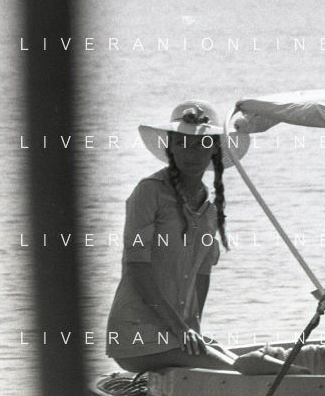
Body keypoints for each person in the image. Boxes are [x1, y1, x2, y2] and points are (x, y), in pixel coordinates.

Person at [106, 100, 250, 373]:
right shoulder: (149, 192)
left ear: (214, 149)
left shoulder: (209, 208)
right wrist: (180, 329)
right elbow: (136, 266)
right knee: (236, 371)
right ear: (170, 147)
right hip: (135, 335)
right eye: (182, 143)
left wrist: (193, 328)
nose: (190, 152)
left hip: (176, 334)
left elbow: (201, 275)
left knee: (239, 362)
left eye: (201, 144)